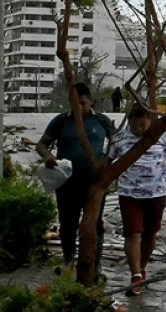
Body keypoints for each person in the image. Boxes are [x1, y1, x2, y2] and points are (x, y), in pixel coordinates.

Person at [108, 102, 166, 296]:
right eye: (137, 126)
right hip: (129, 194)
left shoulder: (162, 134)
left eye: (144, 125)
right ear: (130, 121)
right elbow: (107, 162)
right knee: (132, 234)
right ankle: (135, 275)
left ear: (150, 121)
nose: (140, 129)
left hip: (156, 193)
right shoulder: (119, 139)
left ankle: (142, 267)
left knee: (150, 234)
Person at [35, 82, 116, 276]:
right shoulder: (61, 121)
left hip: (94, 183)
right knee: (67, 223)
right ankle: (68, 261)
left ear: (90, 101)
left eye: (82, 103)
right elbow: (41, 145)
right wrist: (48, 157)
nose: (79, 107)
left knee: (95, 224)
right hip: (66, 181)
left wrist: (107, 164)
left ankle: (94, 264)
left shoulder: (102, 121)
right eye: (74, 103)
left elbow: (117, 144)